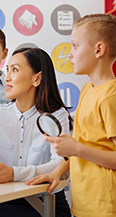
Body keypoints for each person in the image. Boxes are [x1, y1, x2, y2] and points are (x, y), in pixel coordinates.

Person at [26, 14, 116, 217]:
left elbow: (81, 149)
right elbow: (83, 146)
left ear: (99, 49)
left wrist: (77, 148)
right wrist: (55, 173)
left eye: (75, 46)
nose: (69, 54)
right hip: (85, 205)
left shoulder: (111, 96)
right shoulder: (87, 90)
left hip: (106, 207)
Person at [0, 48, 71, 217]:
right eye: (7, 70)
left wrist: (13, 174)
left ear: (37, 78)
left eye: (15, 70)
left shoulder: (57, 116)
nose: (7, 77)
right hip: (4, 202)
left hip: (47, 204)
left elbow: (61, 165)